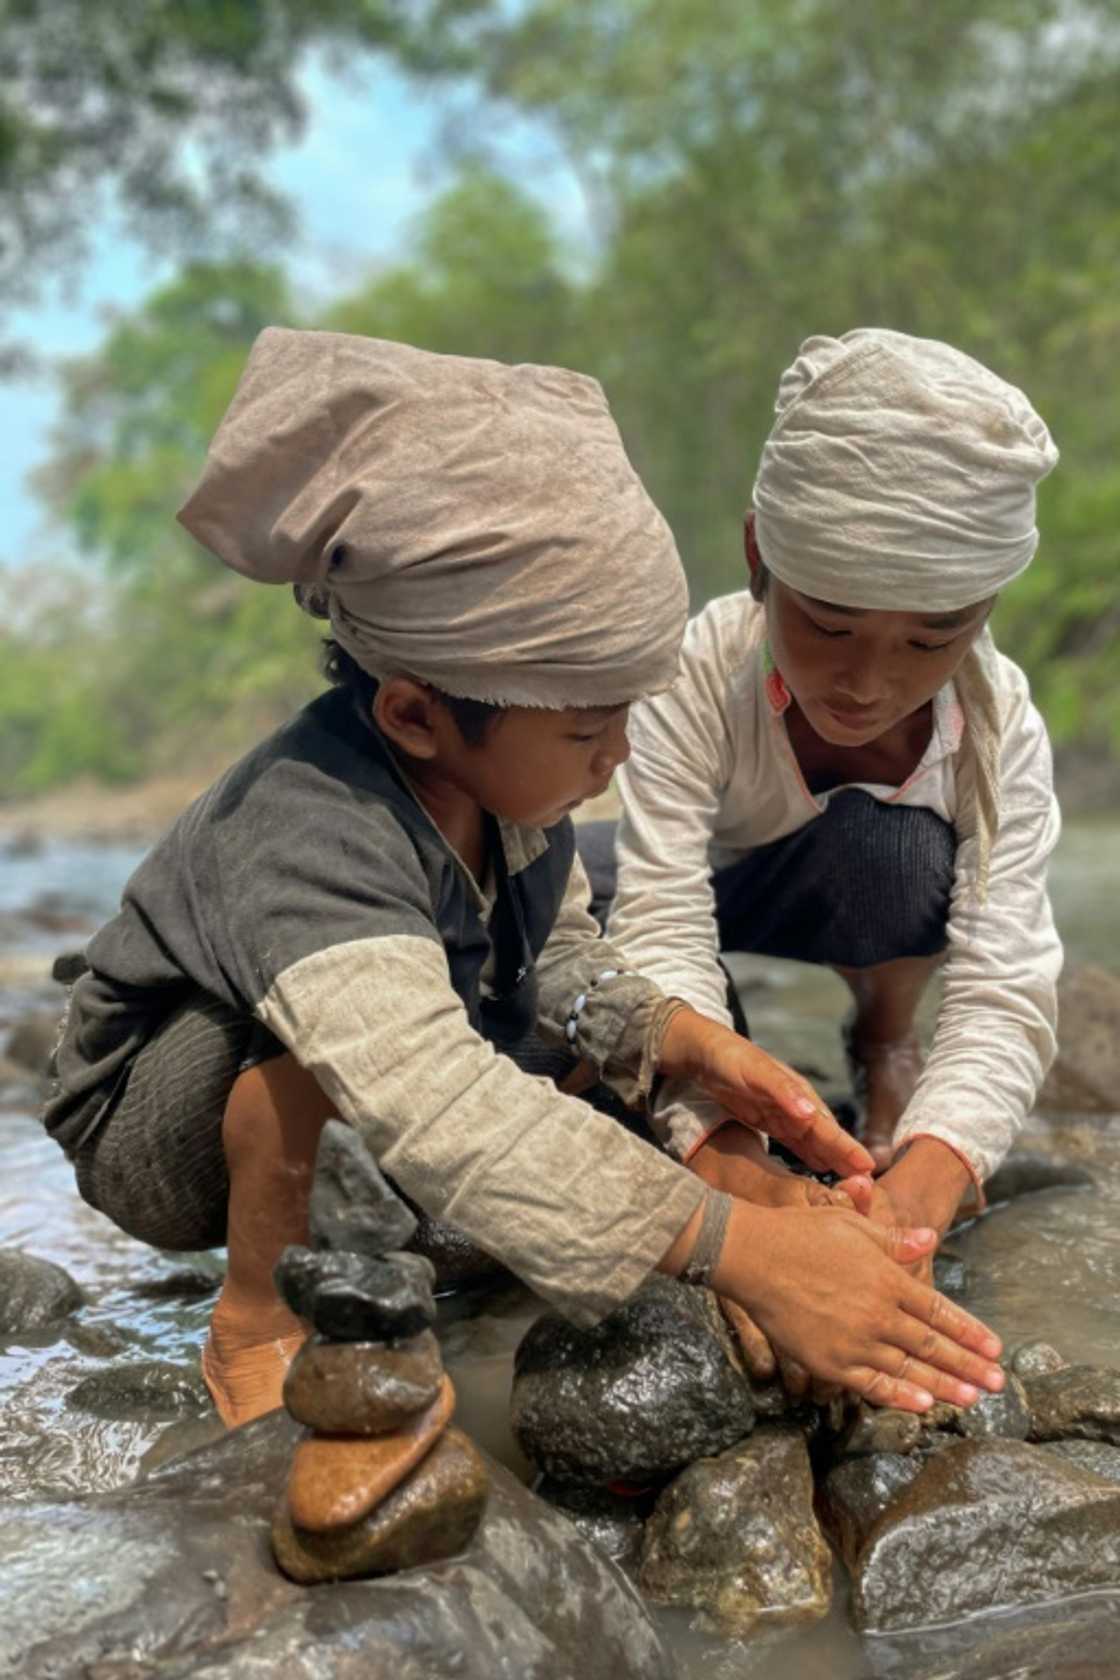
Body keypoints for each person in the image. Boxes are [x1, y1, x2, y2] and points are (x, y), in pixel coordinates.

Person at [43, 327, 1004, 1427]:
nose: (622, 759)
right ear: (414, 713)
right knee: (316, 1066)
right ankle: (257, 1311)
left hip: (389, 1036)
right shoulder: (312, 827)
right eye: (592, 730)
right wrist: (738, 1254)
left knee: (604, 1060)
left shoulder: (508, 791)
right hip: (163, 1120)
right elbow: (431, 1091)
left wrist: (673, 1041)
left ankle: (483, 1210)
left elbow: (557, 954)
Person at [579, 328, 1061, 1381]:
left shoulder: (997, 724)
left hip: (852, 889)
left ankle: (884, 1046)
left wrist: (909, 1212)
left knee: (889, 850)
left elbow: (1004, 984)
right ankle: (732, 1075)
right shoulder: (695, 667)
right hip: (708, 875)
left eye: (929, 641)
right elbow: (662, 911)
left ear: (982, 612)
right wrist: (736, 1182)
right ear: (760, 557)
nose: (867, 682)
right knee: (553, 899)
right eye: (829, 624)